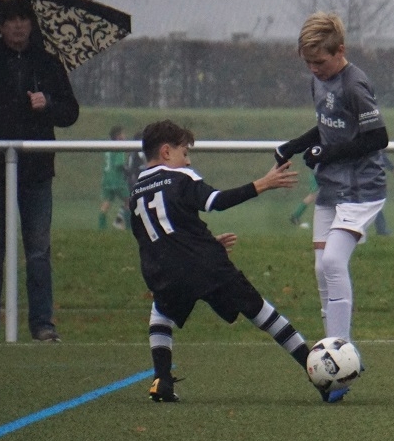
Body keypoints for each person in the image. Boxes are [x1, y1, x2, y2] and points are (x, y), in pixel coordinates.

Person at [128, 120, 322, 403]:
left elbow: (159, 235)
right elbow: (216, 201)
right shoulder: (180, 177)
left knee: (161, 311)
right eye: (184, 153)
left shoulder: (136, 191)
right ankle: (318, 373)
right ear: (167, 152)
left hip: (162, 270)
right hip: (206, 265)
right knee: (260, 311)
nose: (188, 161)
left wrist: (202, 243)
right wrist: (262, 184)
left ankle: (162, 379)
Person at [273, 12, 389, 403]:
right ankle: (339, 362)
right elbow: (327, 126)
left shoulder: (355, 83)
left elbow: (378, 137)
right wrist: (294, 146)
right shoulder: (318, 81)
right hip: (330, 189)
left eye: (320, 62)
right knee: (321, 271)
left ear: (340, 50)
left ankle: (339, 358)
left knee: (334, 262)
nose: (314, 69)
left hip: (361, 191)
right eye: (308, 63)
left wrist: (328, 152)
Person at [0, 0, 79, 342]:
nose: (18, 26)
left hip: (36, 171)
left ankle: (43, 324)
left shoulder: (47, 64)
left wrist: (48, 104)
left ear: (32, 24)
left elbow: (70, 112)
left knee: (39, 250)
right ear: (0, 26)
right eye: (11, 20)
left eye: (23, 19)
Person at [99, 125, 130, 230]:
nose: (125, 136)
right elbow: (119, 164)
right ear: (118, 136)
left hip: (107, 179)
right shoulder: (119, 146)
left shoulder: (108, 147)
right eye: (123, 133)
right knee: (128, 201)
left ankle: (101, 228)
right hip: (117, 179)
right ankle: (129, 227)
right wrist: (127, 170)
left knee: (106, 203)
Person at [373, 151, 394, 235]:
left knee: (374, 203)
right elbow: (381, 156)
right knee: (375, 203)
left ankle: (381, 229)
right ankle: (381, 229)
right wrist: (392, 168)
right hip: (369, 178)